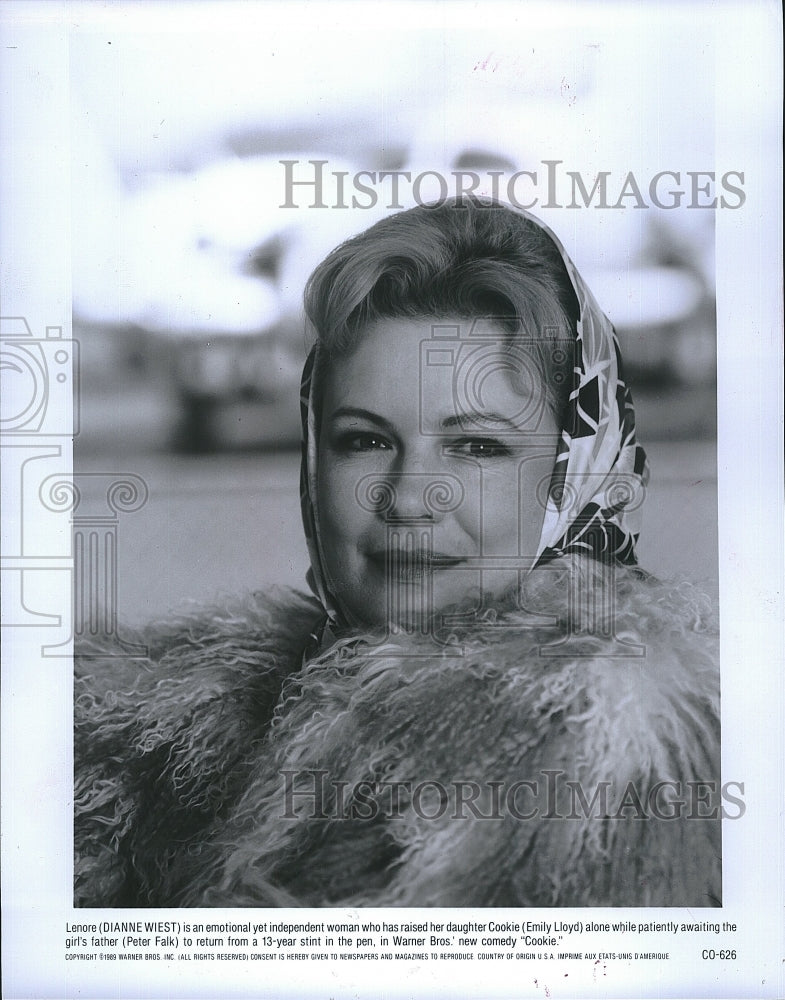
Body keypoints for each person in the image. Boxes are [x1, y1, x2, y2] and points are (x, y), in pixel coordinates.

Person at [74, 199, 720, 908]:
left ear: (581, 475)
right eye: (365, 440)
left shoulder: (617, 768)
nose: (410, 497)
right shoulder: (157, 725)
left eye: (476, 446)